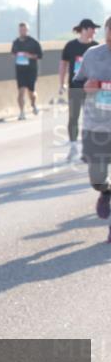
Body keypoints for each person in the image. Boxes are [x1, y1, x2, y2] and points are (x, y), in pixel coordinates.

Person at [71, 15, 111, 243]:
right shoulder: (93, 55)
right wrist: (86, 86)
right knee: (96, 178)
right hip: (95, 126)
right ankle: (105, 191)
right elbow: (77, 83)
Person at [61, 18, 100, 161]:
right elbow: (63, 64)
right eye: (92, 28)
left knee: (91, 119)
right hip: (75, 87)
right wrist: (61, 84)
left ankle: (88, 148)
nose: (95, 31)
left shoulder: (97, 47)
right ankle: (73, 148)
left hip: (92, 89)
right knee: (73, 117)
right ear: (84, 29)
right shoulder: (71, 46)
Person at [10, 22, 43, 120]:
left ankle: (33, 104)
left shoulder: (33, 42)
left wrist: (29, 56)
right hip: (20, 70)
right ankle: (21, 112)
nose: (22, 32)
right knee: (21, 91)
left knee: (31, 92)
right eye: (20, 30)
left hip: (31, 70)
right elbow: (12, 53)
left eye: (24, 30)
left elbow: (40, 55)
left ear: (27, 30)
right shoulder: (16, 42)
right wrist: (16, 55)